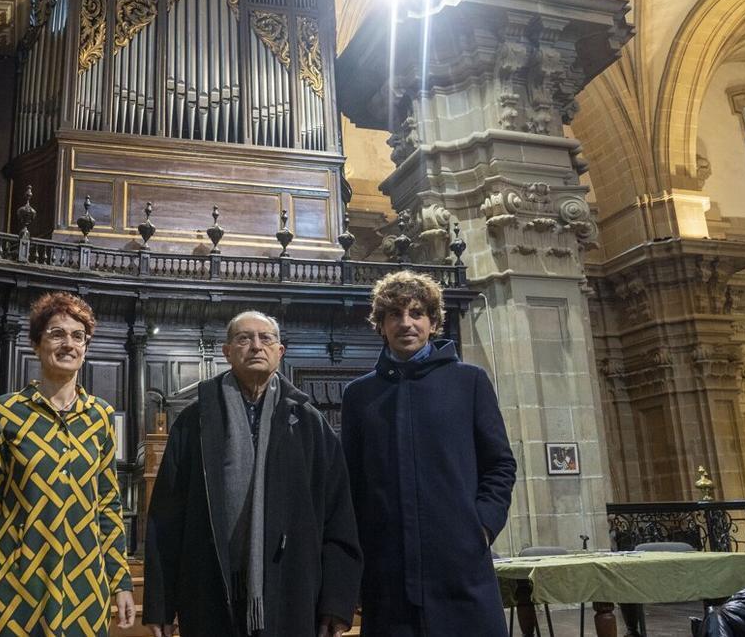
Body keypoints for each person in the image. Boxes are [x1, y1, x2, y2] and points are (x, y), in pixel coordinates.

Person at [143, 311, 362, 637]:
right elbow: (166, 519)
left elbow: (338, 518)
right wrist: (161, 603)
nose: (256, 346)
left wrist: (336, 601)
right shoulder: (194, 421)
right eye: (244, 338)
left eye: (265, 338)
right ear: (227, 351)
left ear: (280, 351)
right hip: (209, 589)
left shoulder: (310, 424)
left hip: (291, 590)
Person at [340, 271, 517, 636]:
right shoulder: (359, 395)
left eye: (417, 313)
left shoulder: (469, 382)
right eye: (395, 314)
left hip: (460, 564)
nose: (406, 323)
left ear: (433, 323)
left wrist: (481, 526)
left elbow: (499, 464)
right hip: (388, 571)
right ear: (381, 325)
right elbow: (351, 481)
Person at [0, 291, 134, 637]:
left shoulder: (101, 416)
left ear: (86, 347)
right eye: (57, 334)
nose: (69, 344)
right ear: (36, 344)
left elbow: (108, 504)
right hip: (14, 583)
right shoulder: (6, 412)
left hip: (84, 585)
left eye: (78, 336)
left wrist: (120, 580)